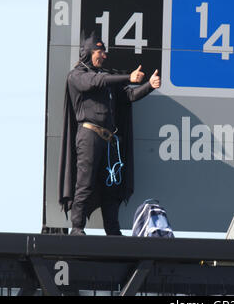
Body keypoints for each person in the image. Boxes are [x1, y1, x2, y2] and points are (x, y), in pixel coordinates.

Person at [58, 32, 161, 235]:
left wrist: (149, 86)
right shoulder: (77, 76)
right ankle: (77, 228)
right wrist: (128, 77)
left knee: (112, 188)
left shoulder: (108, 78)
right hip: (89, 136)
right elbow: (96, 81)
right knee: (84, 183)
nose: (104, 55)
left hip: (110, 141)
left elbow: (129, 95)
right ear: (88, 52)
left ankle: (112, 231)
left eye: (104, 51)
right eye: (99, 51)